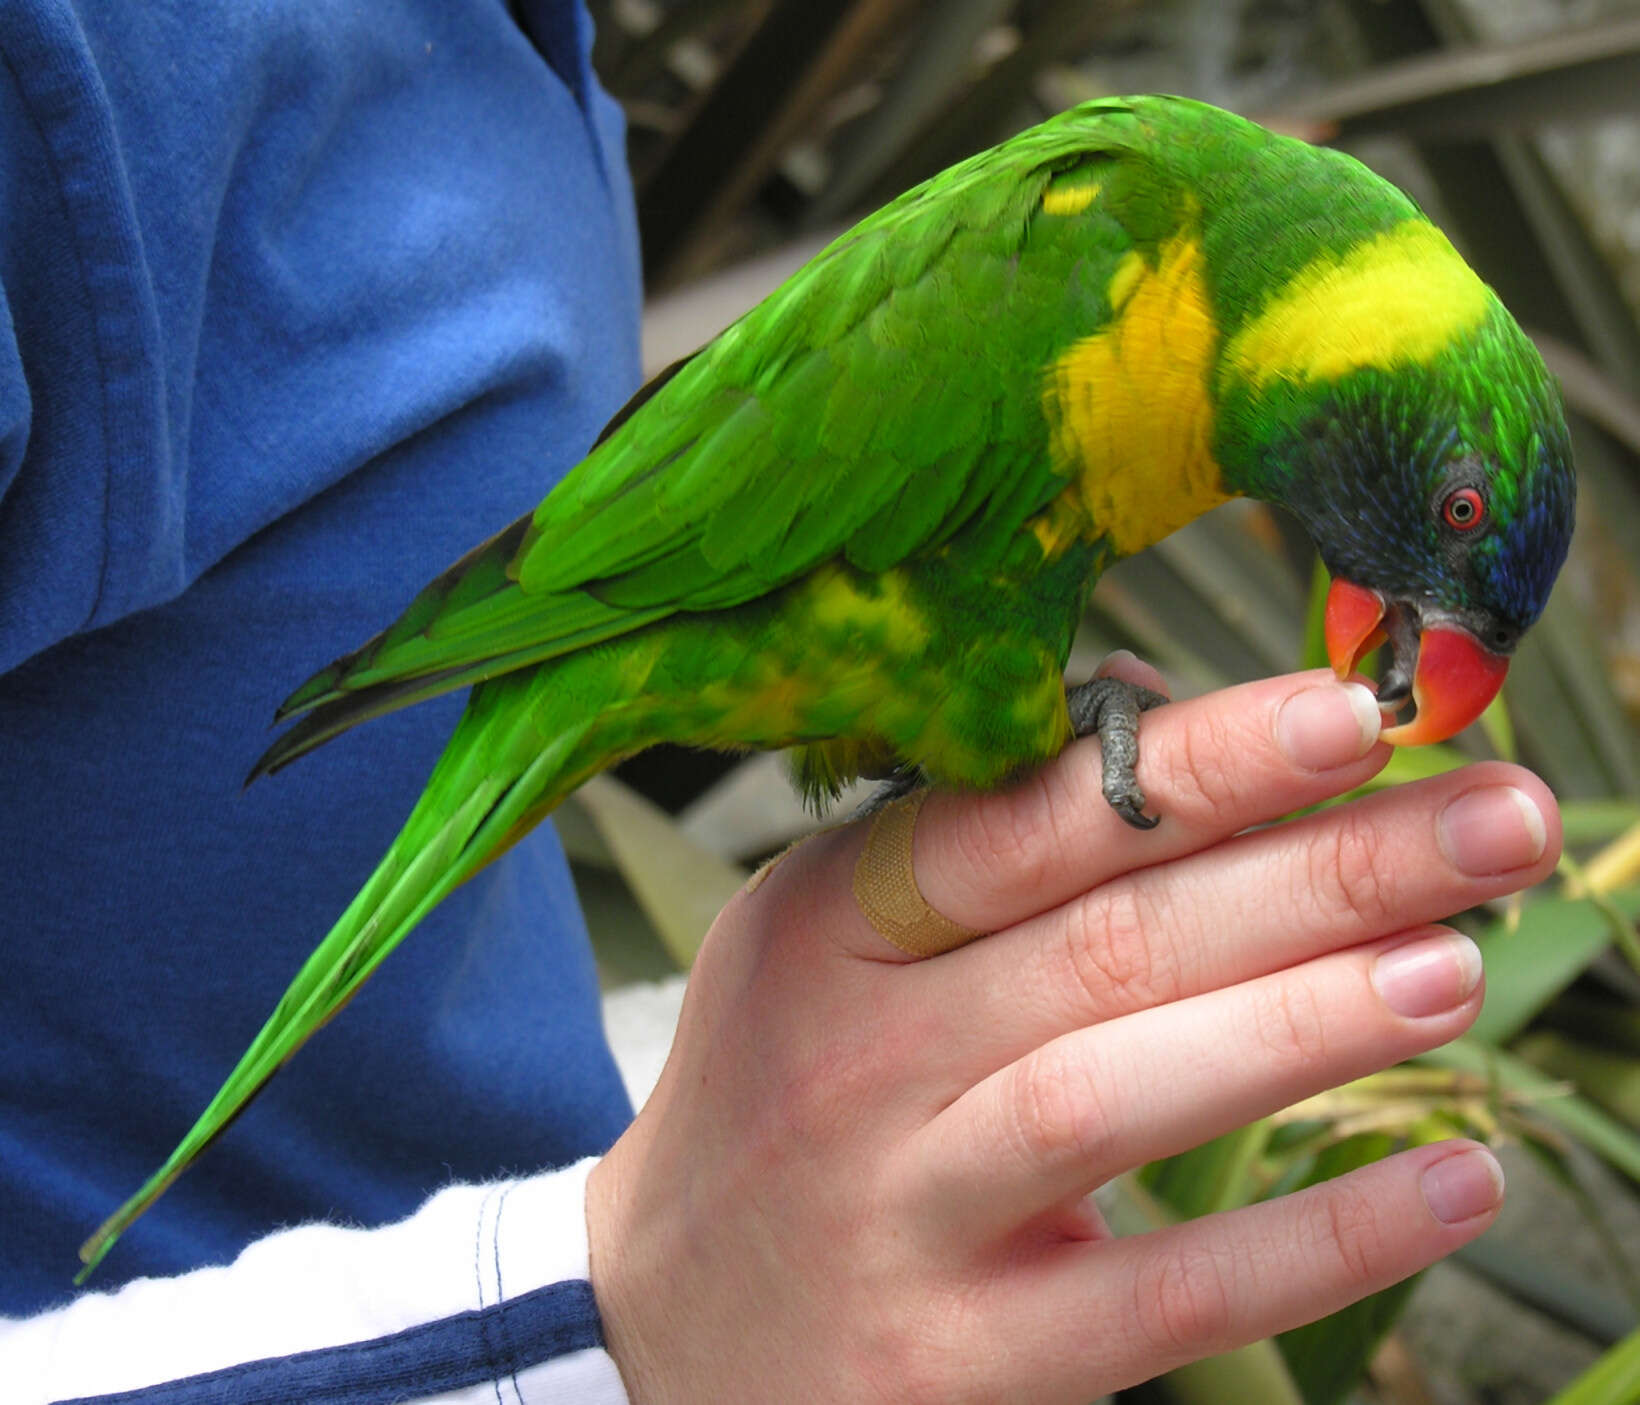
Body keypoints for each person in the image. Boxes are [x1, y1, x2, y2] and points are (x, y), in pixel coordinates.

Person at [0, 4, 1561, 1402]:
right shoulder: (1112, 259)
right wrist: (619, 1303)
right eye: (1458, 520)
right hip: (661, 641)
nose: (1423, 620)